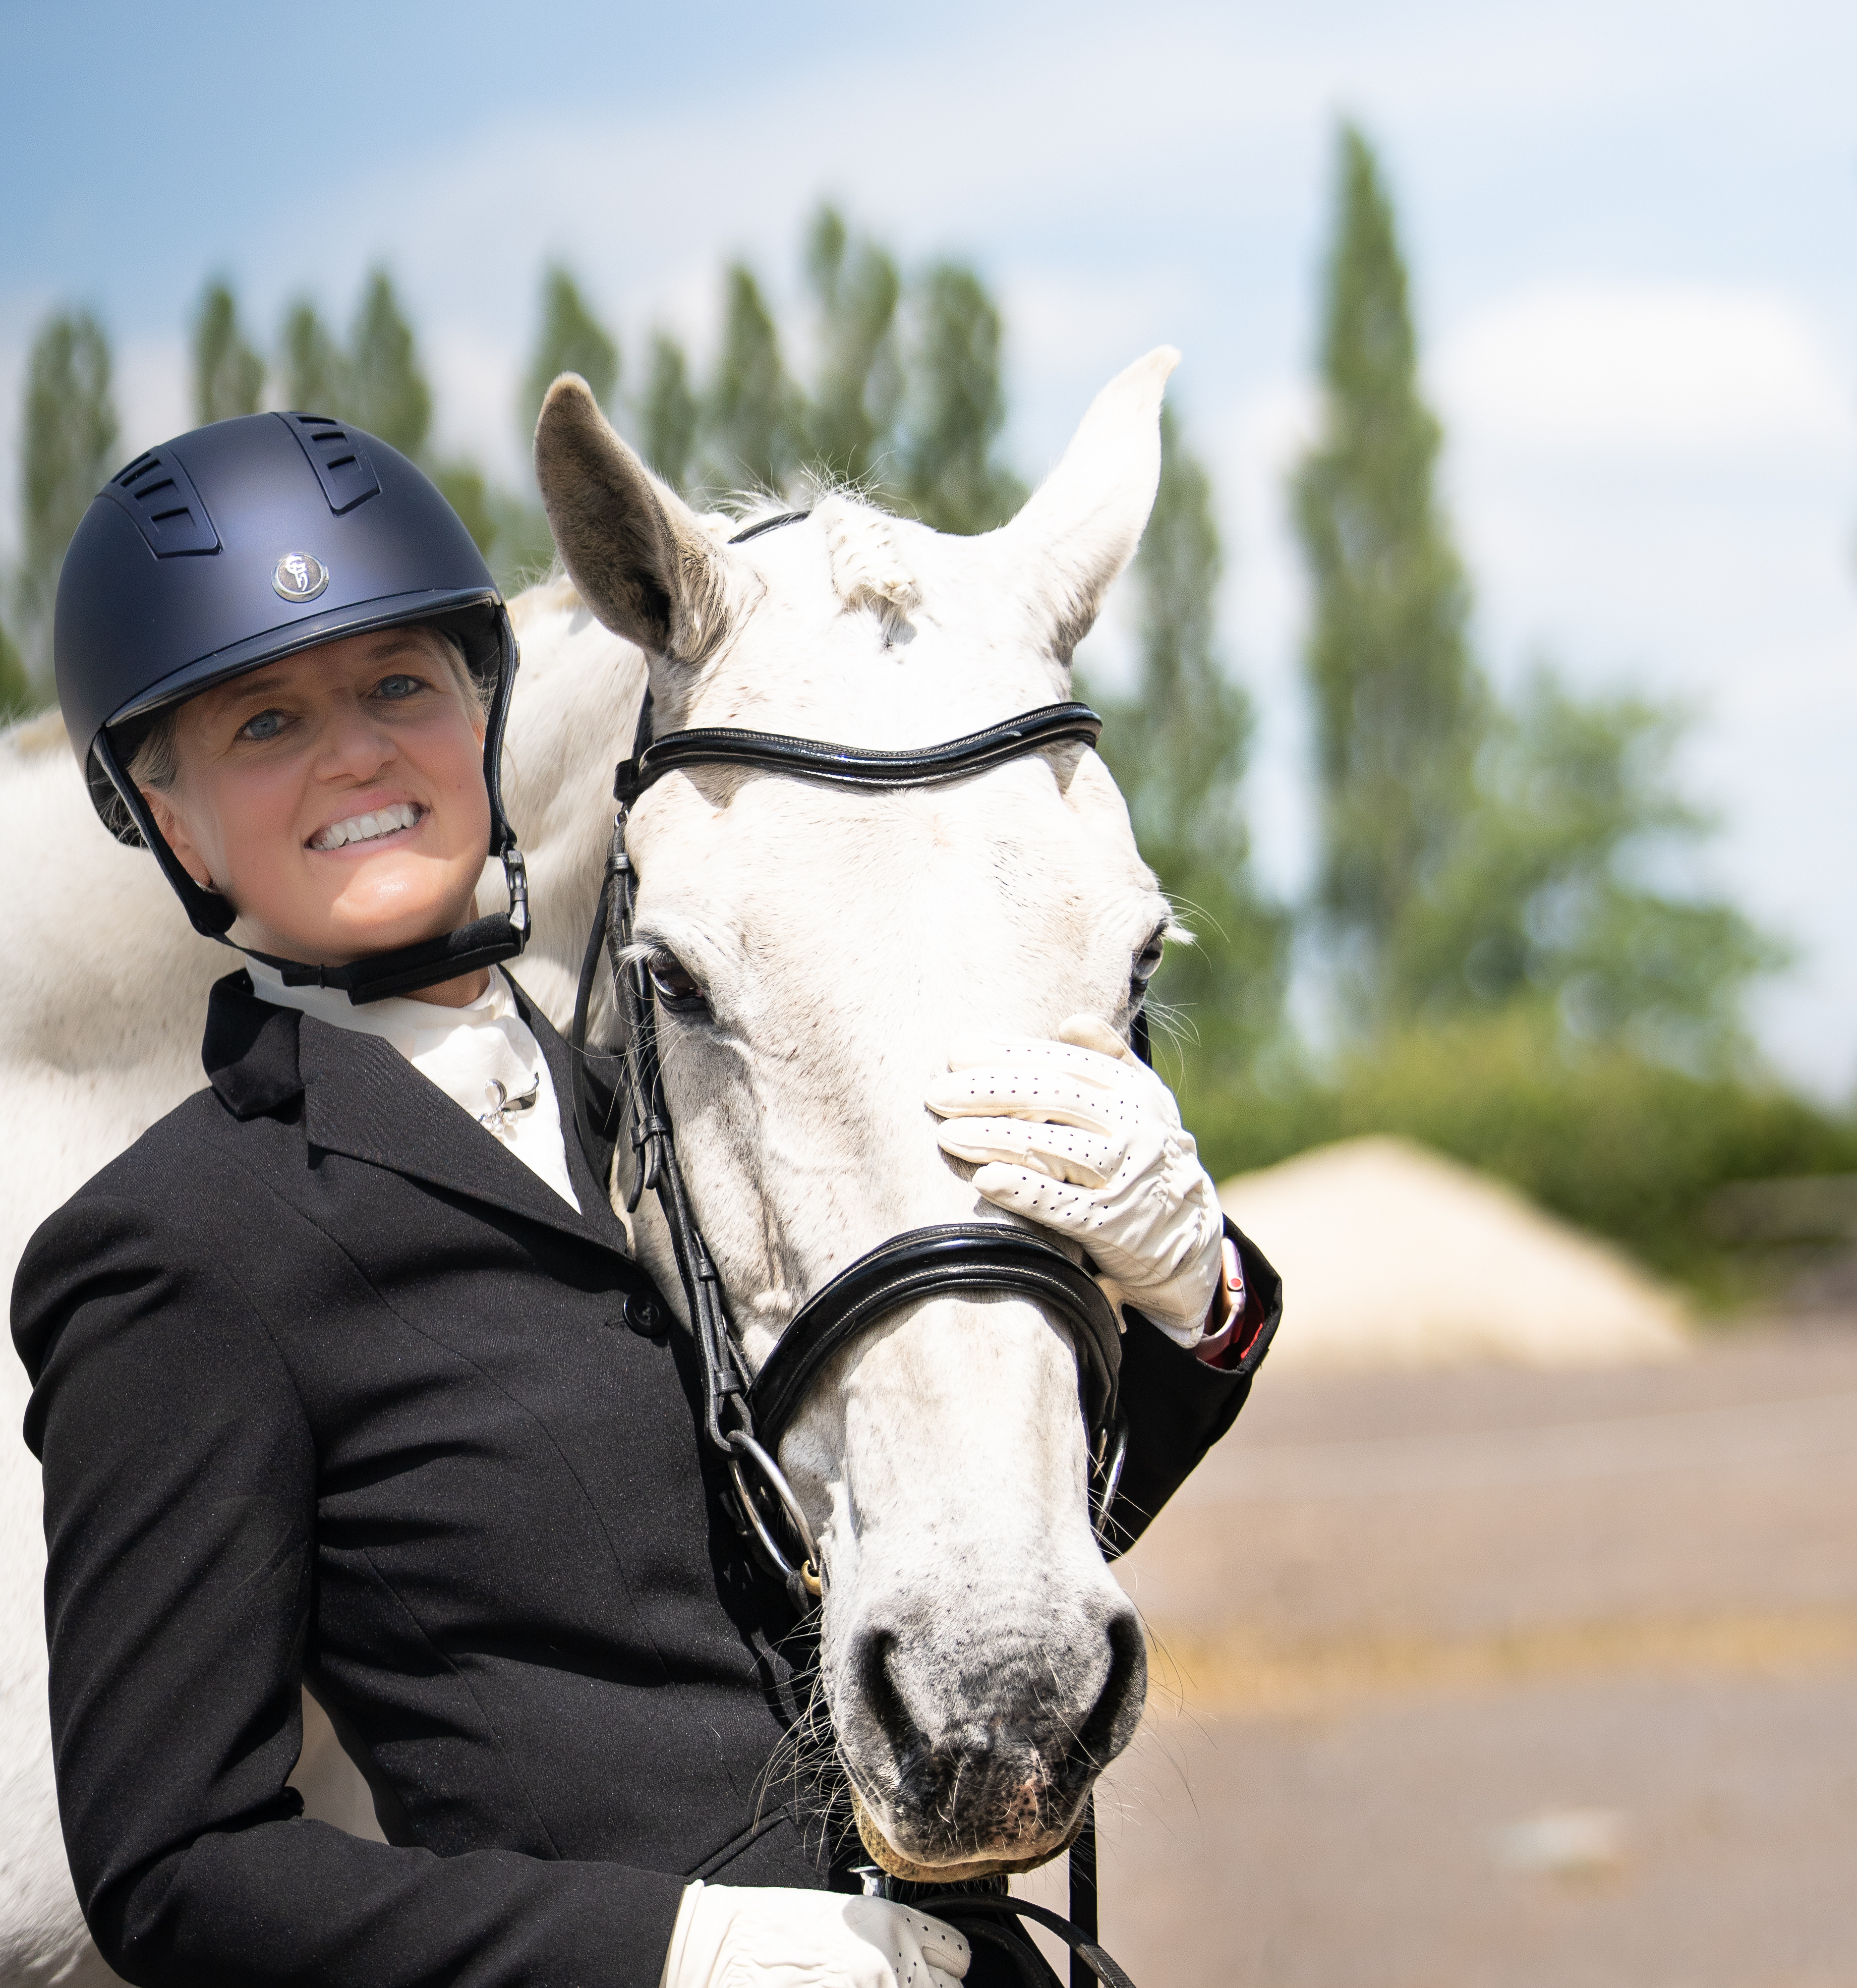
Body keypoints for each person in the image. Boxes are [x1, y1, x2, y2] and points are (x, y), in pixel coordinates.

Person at [13, 413, 1279, 1988]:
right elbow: (177, 1876)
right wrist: (678, 1951)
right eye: (264, 723)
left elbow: (937, 1538)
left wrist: (1192, 1291)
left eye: (399, 685)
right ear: (169, 819)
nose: (352, 752)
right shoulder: (180, 1247)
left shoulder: (676, 1119)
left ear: (483, 714)